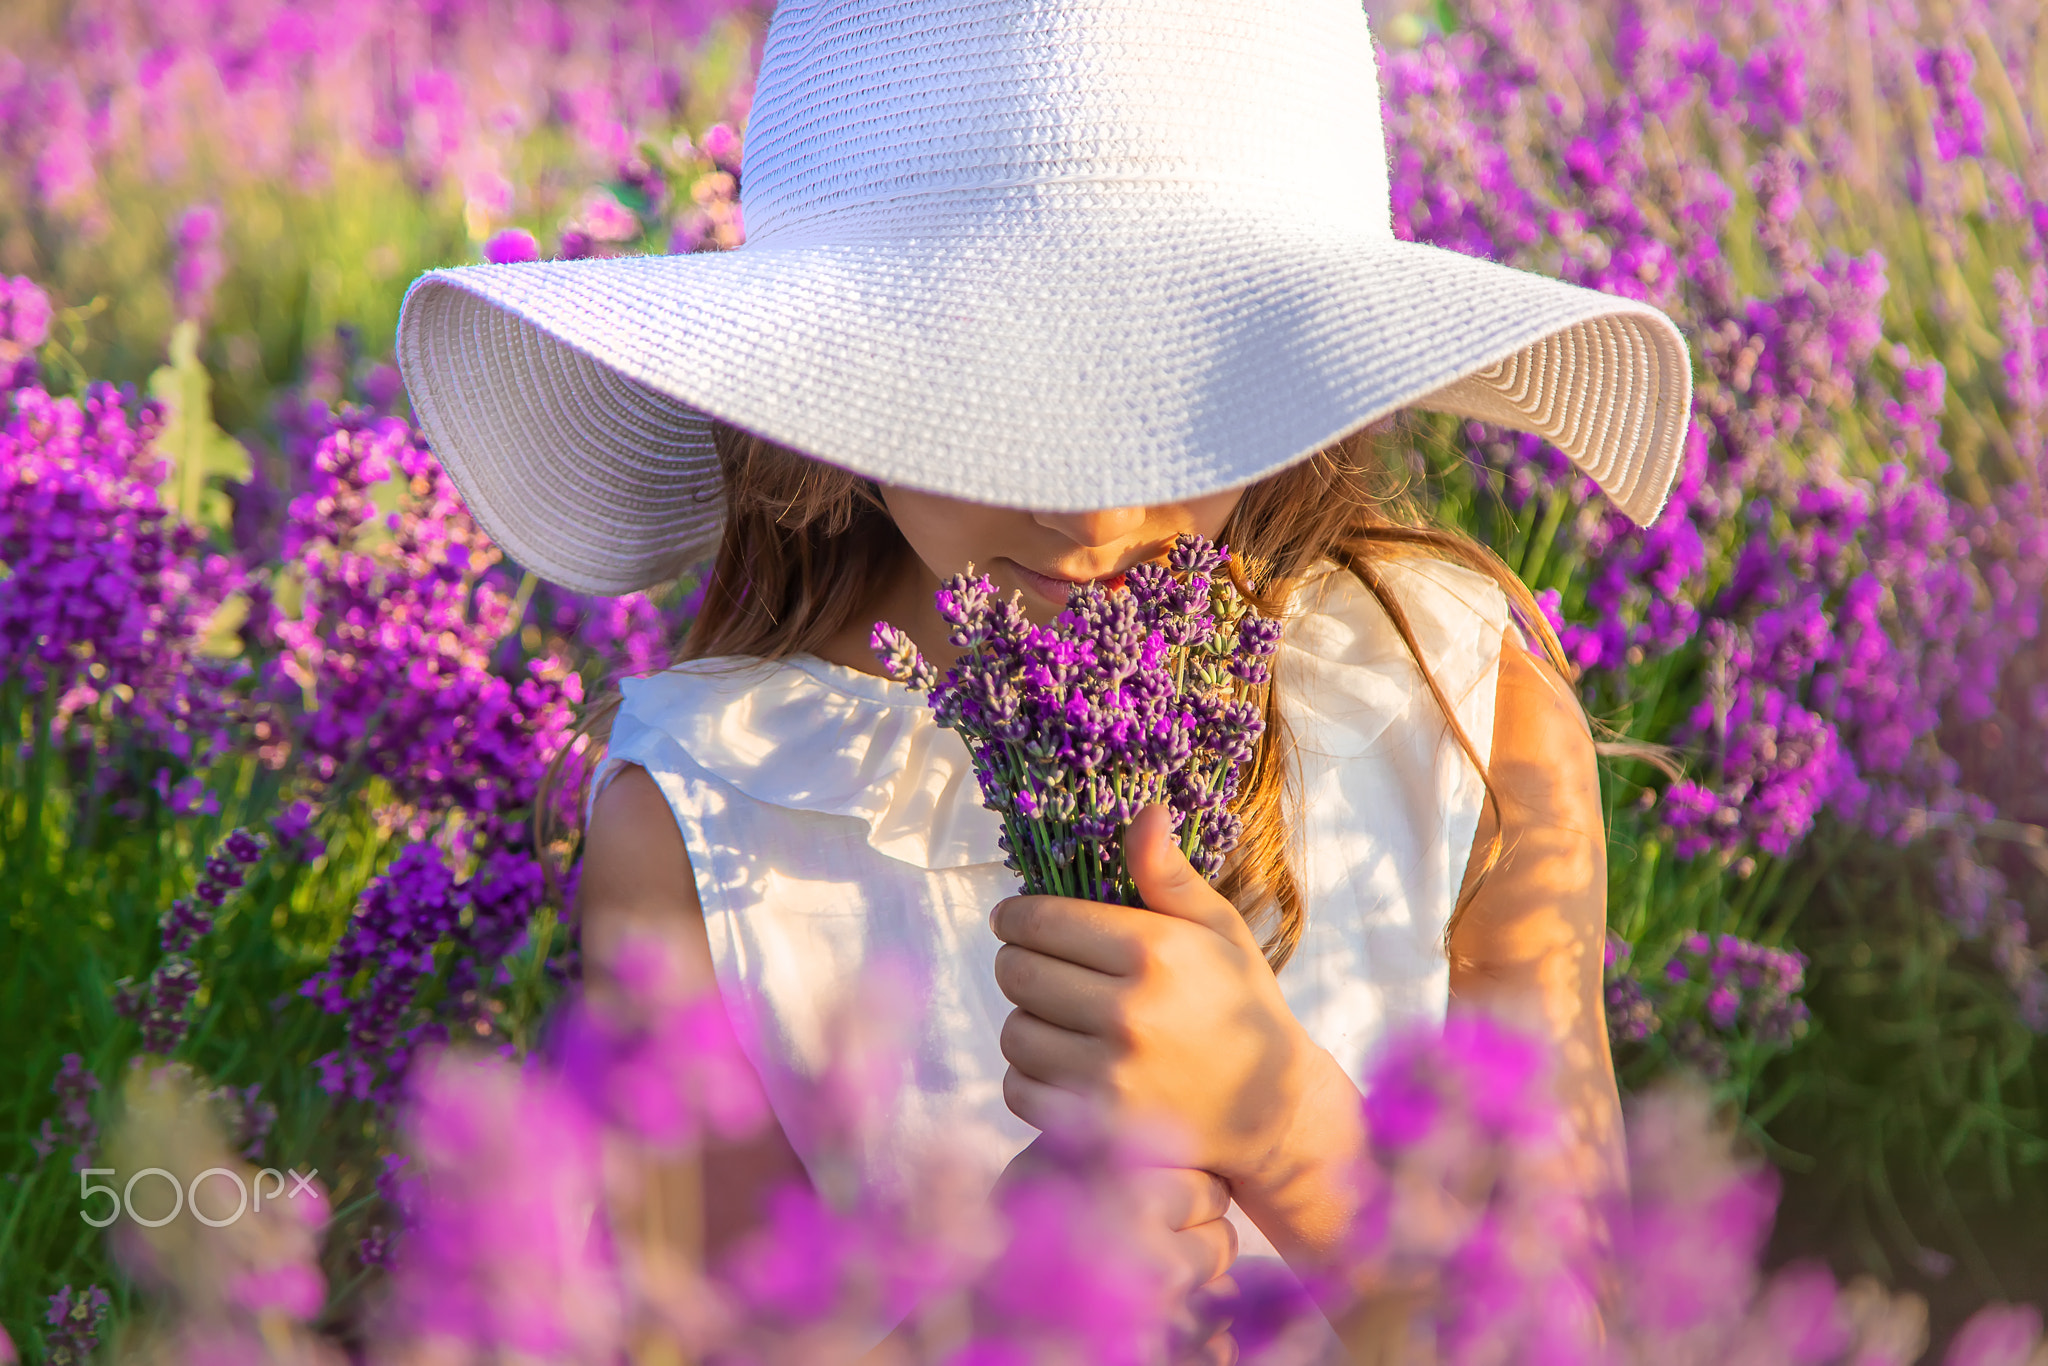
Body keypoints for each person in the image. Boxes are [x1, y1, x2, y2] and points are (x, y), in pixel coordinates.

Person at [394, 0, 1693, 1356]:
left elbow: (1576, 1324)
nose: (1090, 513)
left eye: (1180, 393)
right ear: (826, 378)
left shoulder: (1456, 702)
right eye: (989, 395)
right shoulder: (710, 815)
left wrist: (1287, 1126)